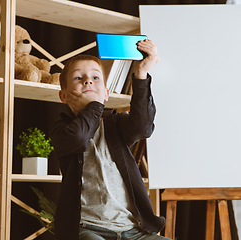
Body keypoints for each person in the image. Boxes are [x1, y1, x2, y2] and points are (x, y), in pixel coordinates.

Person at [49, 39, 171, 240]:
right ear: (63, 96)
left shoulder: (117, 124)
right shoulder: (62, 129)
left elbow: (143, 127)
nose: (88, 81)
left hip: (132, 230)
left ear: (106, 93)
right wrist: (95, 106)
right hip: (87, 229)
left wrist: (141, 73)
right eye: (79, 78)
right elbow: (78, 138)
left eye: (95, 77)